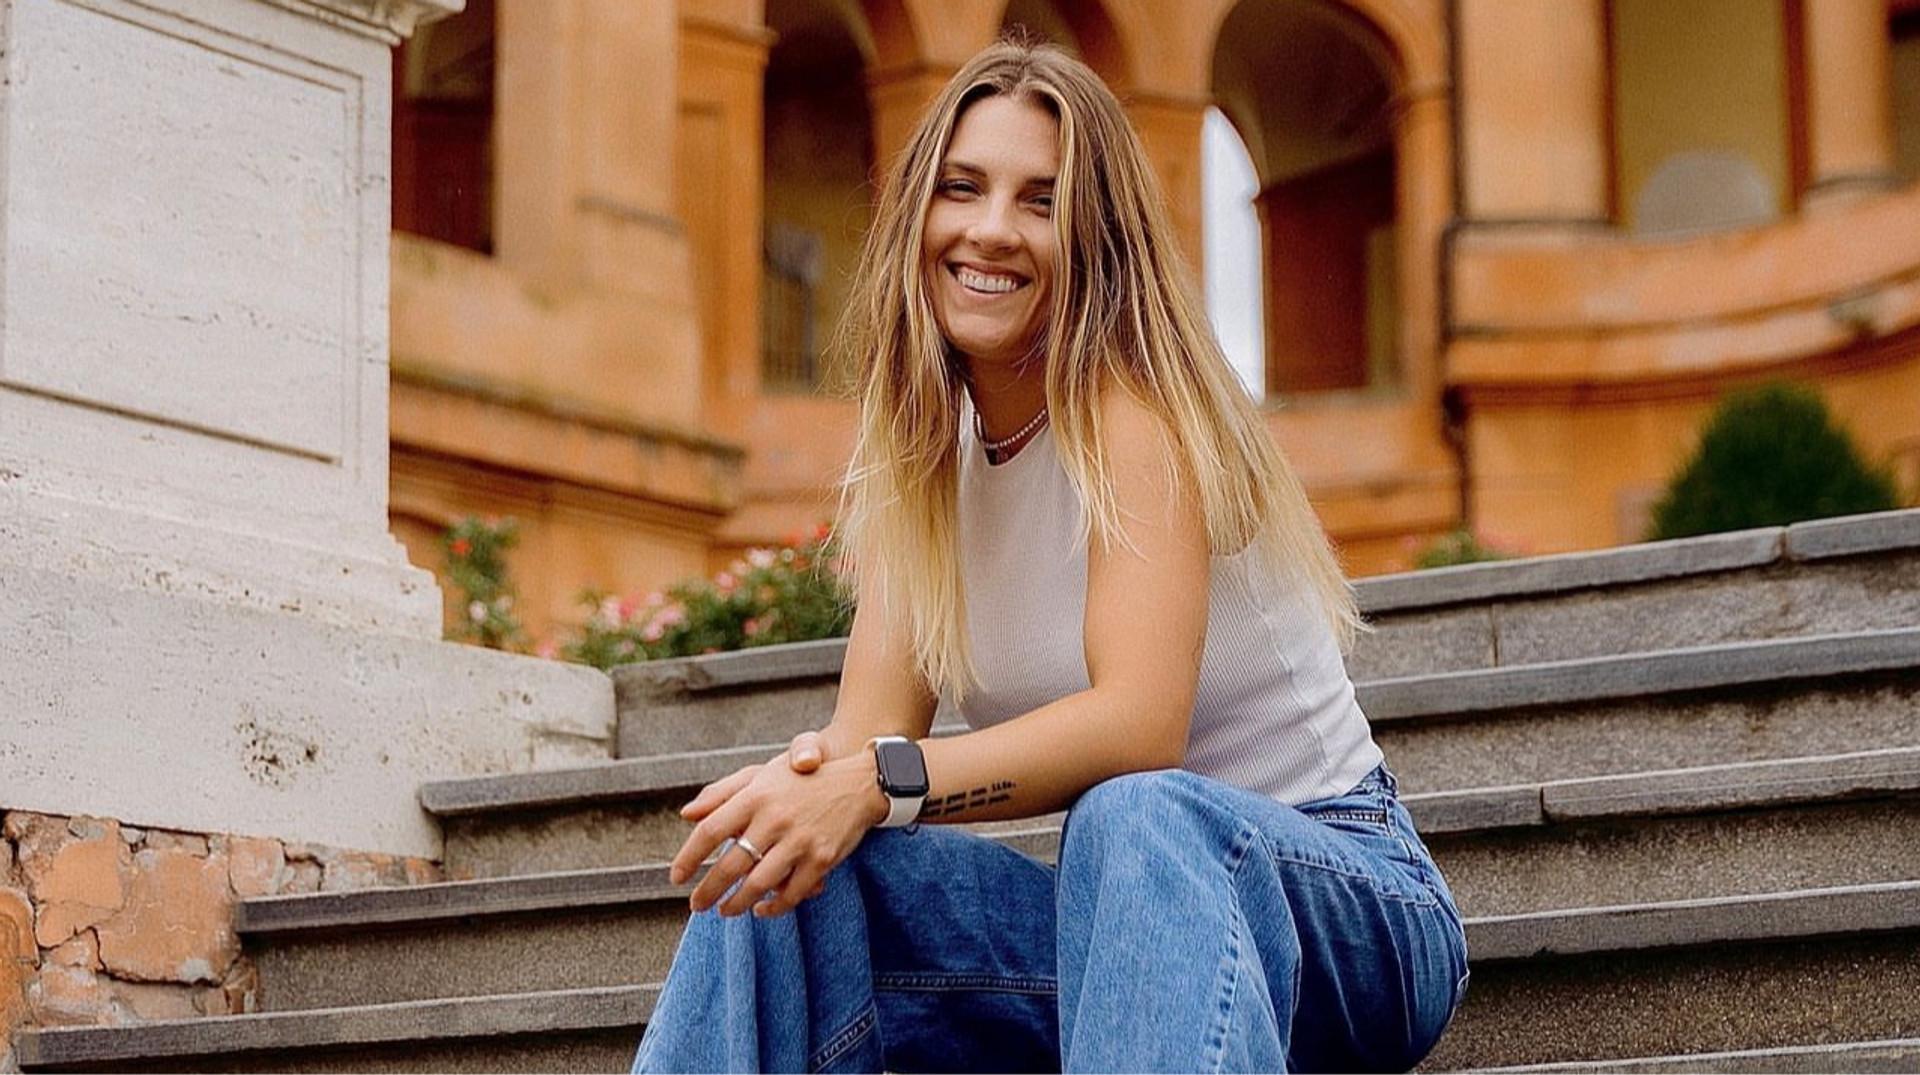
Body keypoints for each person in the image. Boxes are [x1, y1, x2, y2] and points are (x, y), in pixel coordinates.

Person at [631, 38, 1468, 1075]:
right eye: (964, 188)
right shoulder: (917, 460)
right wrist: (804, 787)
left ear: (1093, 238)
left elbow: (1138, 723)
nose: (991, 229)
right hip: (1132, 946)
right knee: (787, 867)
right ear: (916, 217)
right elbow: (869, 745)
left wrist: (879, 782)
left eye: (1040, 200)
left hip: (1349, 904)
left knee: (1137, 813)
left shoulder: (1137, 413)